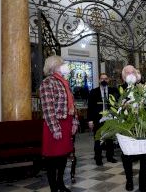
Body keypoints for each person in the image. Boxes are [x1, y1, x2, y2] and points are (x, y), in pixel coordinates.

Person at [39, 55, 79, 192]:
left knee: (63, 156)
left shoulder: (65, 82)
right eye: (61, 64)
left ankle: (61, 183)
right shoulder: (47, 82)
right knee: (52, 159)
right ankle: (53, 188)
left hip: (67, 123)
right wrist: (55, 128)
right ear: (54, 66)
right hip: (54, 125)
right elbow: (47, 108)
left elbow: (72, 105)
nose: (64, 66)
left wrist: (75, 121)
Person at [120, 65, 146, 192]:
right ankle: (129, 181)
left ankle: (144, 184)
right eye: (127, 73)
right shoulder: (119, 89)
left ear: (137, 74)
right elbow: (117, 109)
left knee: (145, 157)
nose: (130, 74)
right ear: (123, 76)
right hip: (127, 128)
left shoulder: (143, 88)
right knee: (127, 157)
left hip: (143, 128)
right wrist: (124, 106)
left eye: (132, 72)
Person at [87, 73, 118, 166]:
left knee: (109, 139)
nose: (104, 80)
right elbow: (90, 107)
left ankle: (110, 156)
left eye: (106, 78)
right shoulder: (93, 92)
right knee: (98, 139)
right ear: (99, 80)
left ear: (108, 80)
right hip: (98, 119)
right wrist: (90, 120)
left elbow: (117, 104)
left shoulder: (114, 91)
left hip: (110, 118)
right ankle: (98, 158)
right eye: (102, 79)